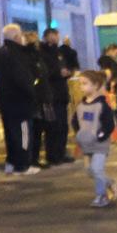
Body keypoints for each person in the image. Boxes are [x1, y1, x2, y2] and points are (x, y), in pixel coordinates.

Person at [0, 24, 40, 174]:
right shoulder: (16, 54)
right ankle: (23, 165)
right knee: (24, 134)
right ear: (16, 37)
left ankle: (11, 162)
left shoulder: (0, 53)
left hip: (6, 102)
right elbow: (22, 78)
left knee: (11, 134)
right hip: (21, 102)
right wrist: (32, 92)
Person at [72, 71, 117, 209]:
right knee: (89, 170)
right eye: (80, 84)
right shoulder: (81, 105)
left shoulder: (103, 105)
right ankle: (110, 182)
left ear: (96, 85)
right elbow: (75, 121)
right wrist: (79, 134)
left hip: (100, 144)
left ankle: (101, 196)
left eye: (85, 84)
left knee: (97, 169)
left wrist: (101, 135)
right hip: (86, 143)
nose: (81, 87)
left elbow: (109, 124)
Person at [39, 27, 78, 167]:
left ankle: (61, 153)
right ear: (45, 37)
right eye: (51, 35)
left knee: (62, 126)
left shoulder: (59, 51)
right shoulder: (42, 52)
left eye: (56, 35)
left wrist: (67, 47)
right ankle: (53, 155)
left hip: (61, 93)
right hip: (50, 94)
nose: (54, 38)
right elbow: (45, 71)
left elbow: (72, 60)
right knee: (52, 126)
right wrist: (57, 73)